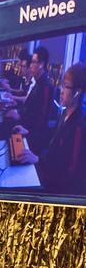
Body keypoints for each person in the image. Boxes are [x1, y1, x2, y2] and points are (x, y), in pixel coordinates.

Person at [39, 63, 86, 195]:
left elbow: (70, 173)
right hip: (47, 170)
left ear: (78, 92)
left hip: (57, 189)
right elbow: (52, 138)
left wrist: (37, 161)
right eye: (62, 85)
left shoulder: (79, 126)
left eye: (66, 86)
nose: (61, 91)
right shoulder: (65, 113)